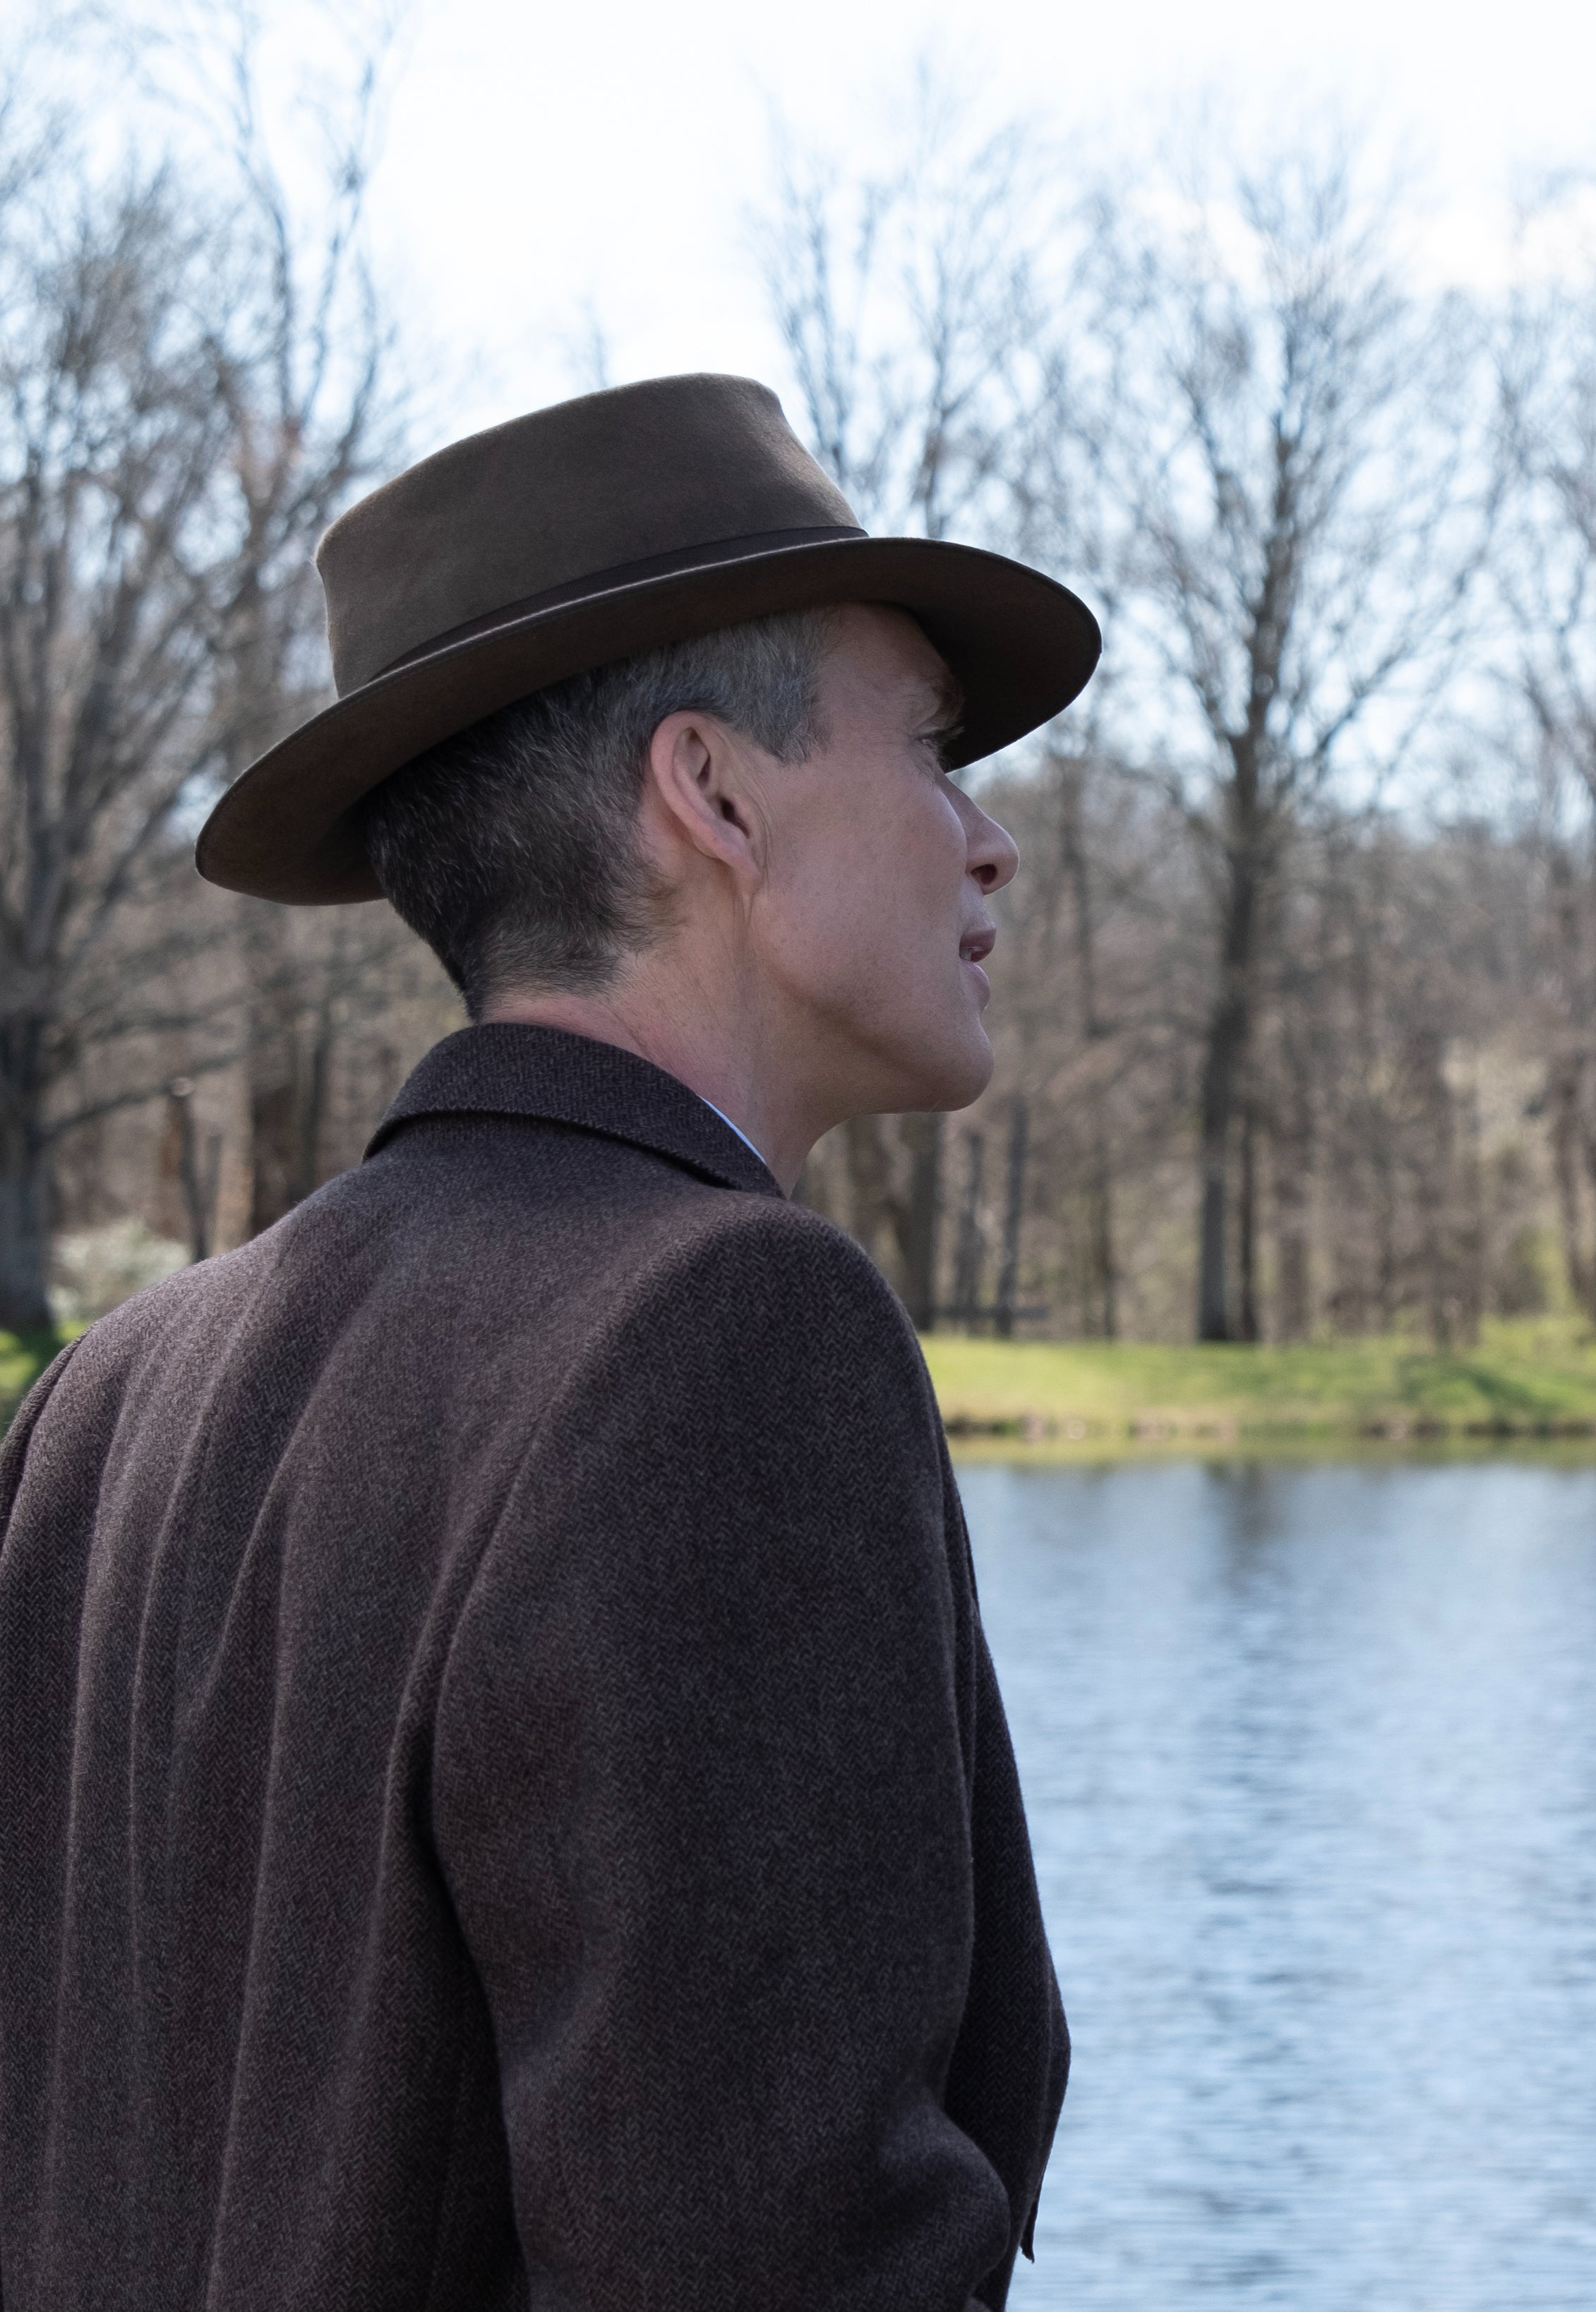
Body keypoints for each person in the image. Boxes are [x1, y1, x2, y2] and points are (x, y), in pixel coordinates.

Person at [0, 373, 1099, 2308]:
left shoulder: (107, 1392)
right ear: (715, 791)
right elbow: (773, 2260)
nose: (988, 839)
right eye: (928, 748)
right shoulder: (723, 1330)